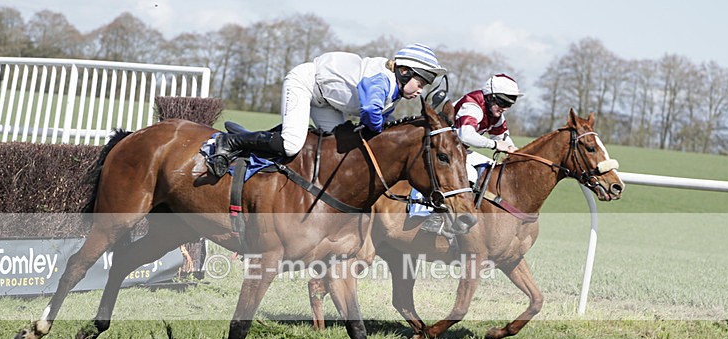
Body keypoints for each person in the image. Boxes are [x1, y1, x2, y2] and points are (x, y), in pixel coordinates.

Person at [200, 43, 447, 178]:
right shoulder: (381, 80)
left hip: (327, 102)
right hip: (306, 82)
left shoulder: (394, 93)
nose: (419, 91)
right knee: (291, 145)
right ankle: (230, 141)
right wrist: (378, 129)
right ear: (404, 72)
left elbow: (380, 119)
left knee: (335, 149)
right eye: (421, 83)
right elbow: (371, 112)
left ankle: (254, 138)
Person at [421, 73, 523, 233]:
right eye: (502, 101)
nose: (504, 107)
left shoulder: (496, 114)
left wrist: (516, 152)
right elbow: (465, 135)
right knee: (470, 174)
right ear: (490, 97)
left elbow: (503, 138)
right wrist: (495, 144)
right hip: (439, 150)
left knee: (492, 168)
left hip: (458, 151)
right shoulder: (473, 105)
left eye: (510, 104)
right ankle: (436, 216)